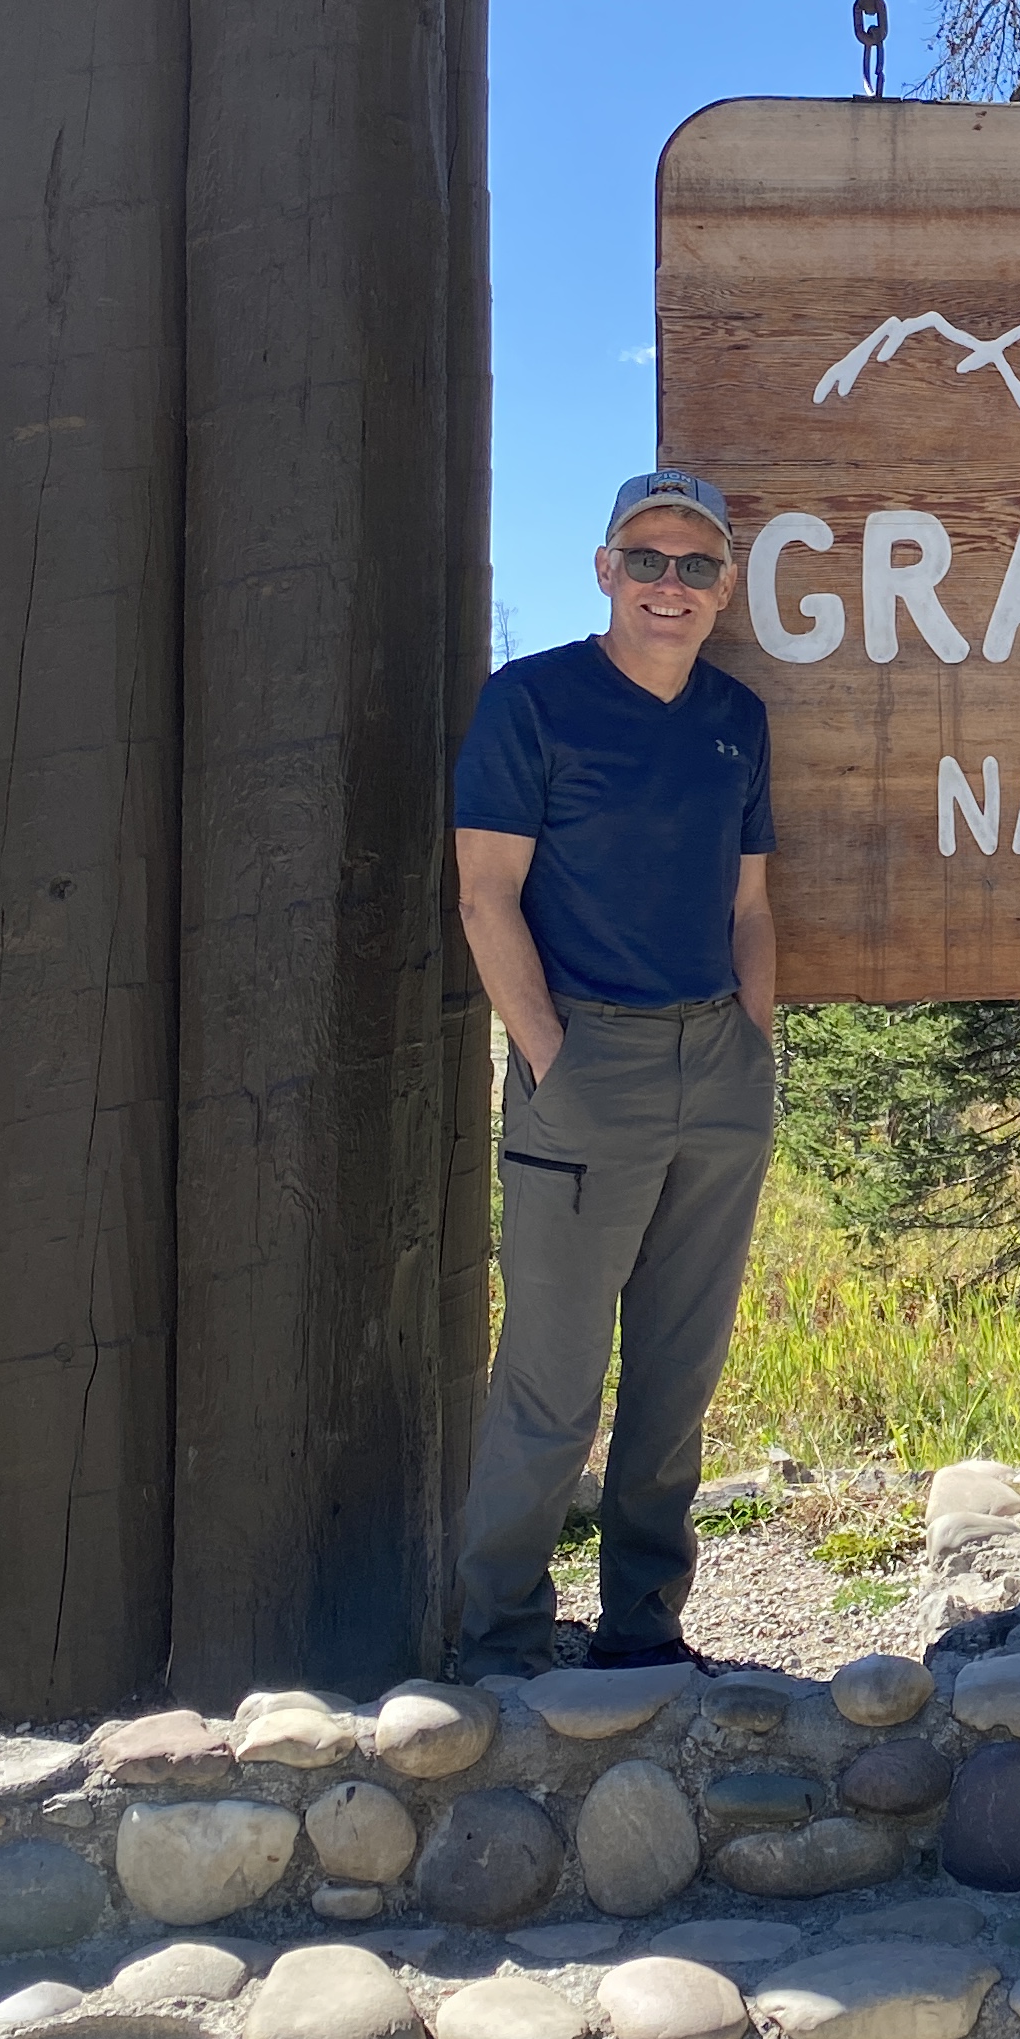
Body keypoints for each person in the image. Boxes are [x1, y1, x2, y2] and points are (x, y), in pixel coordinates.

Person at [449, 468, 779, 1682]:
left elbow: (751, 904)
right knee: (552, 1380)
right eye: (647, 559)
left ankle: (644, 1631)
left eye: (695, 566)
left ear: (724, 587)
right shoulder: (531, 703)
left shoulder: (737, 718)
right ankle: (500, 1641)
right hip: (588, 1063)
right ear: (606, 570)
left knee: (678, 1376)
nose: (669, 585)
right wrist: (551, 1055)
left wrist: (753, 1040)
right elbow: (485, 897)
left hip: (718, 1067)